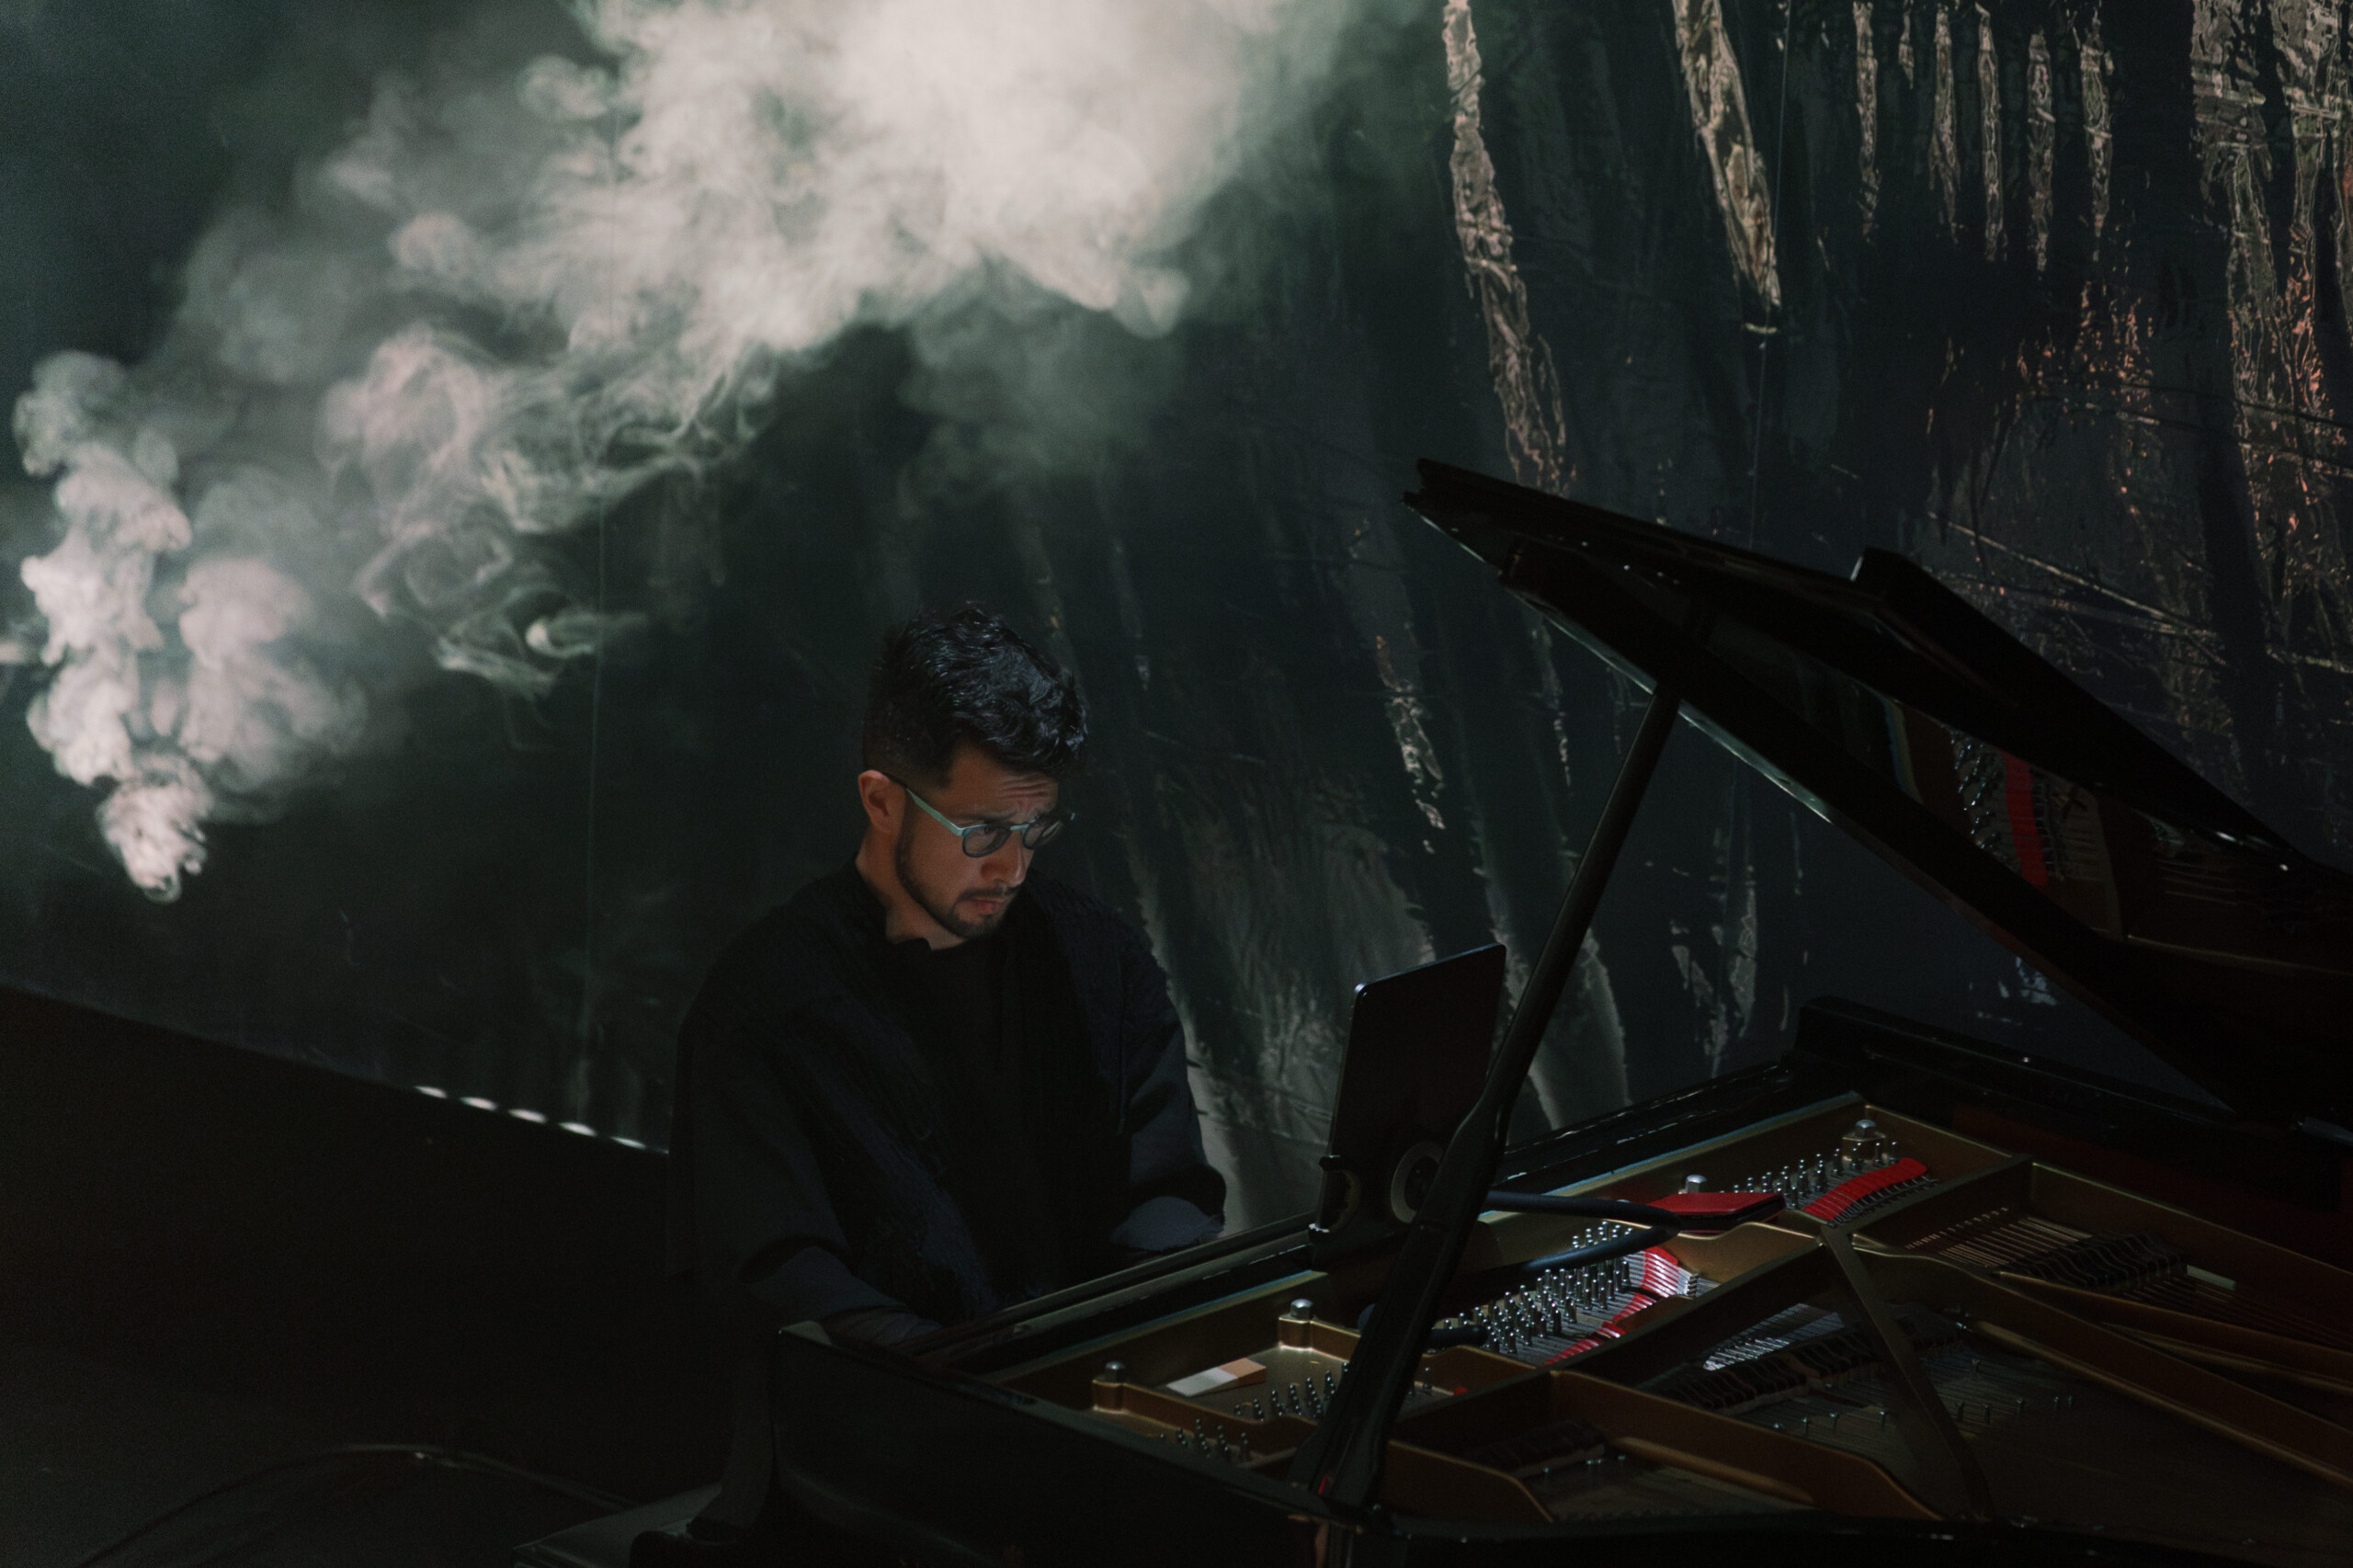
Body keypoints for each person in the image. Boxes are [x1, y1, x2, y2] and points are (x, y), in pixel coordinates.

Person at [668, 605, 1225, 1349]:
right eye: (983, 833)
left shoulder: (1101, 961)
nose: (1013, 868)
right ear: (882, 801)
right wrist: (963, 1381)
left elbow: (1168, 1197)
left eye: (1036, 829)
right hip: (884, 1408)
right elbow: (783, 1274)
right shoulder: (766, 1007)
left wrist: (1129, 1349)